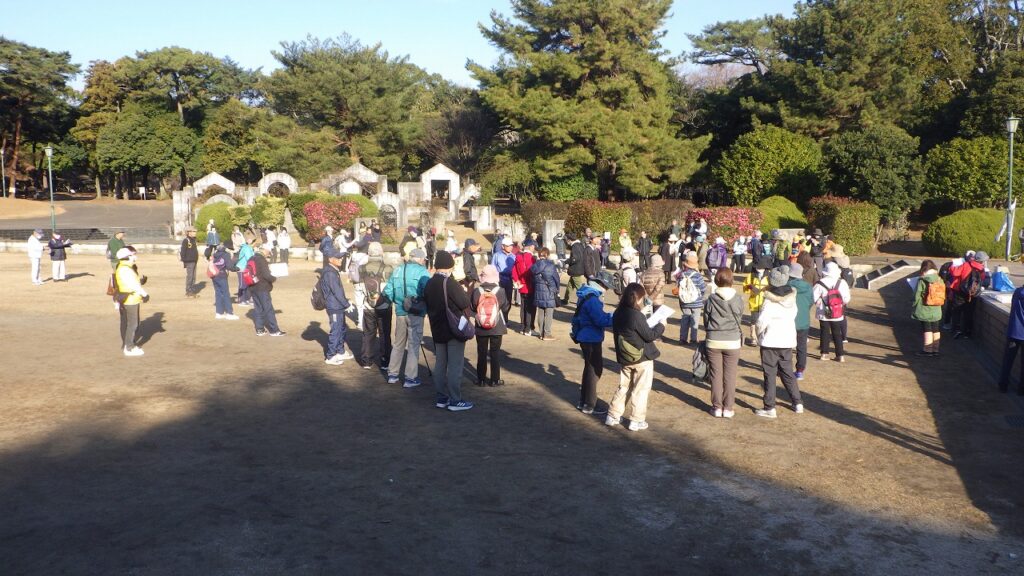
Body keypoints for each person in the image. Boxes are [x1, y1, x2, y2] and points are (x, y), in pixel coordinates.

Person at [607, 283, 664, 431]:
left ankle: (612, 415)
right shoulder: (636, 315)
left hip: (625, 356)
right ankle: (636, 420)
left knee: (623, 386)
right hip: (642, 358)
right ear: (638, 298)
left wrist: (641, 314)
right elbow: (649, 335)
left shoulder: (618, 313)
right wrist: (661, 325)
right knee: (641, 389)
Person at [424, 251, 475, 411]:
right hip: (453, 329)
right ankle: (455, 400)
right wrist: (463, 290)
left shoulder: (429, 283)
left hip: (437, 328)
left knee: (440, 364)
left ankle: (441, 397)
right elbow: (464, 302)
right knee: (455, 365)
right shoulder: (450, 283)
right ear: (449, 266)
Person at [755, 266, 804, 418]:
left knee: (769, 374)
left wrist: (759, 334)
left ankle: (769, 407)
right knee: (787, 372)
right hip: (786, 340)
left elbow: (761, 322)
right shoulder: (792, 299)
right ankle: (797, 402)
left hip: (770, 341)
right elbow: (794, 315)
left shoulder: (769, 301)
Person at [383, 248, 431, 387]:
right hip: (416, 312)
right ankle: (410, 378)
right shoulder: (422, 271)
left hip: (400, 311)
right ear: (420, 259)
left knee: (398, 344)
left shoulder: (398, 269)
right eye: (423, 259)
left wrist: (398, 302)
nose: (424, 261)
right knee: (413, 345)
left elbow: (388, 291)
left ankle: (392, 375)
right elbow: (427, 291)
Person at [704, 269, 744, 418]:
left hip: (713, 340)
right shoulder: (738, 299)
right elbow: (739, 317)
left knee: (715, 375)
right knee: (730, 376)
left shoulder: (711, 299)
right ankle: (728, 408)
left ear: (716, 281)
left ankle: (717, 407)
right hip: (732, 341)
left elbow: (706, 320)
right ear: (732, 280)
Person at [574, 273, 614, 415]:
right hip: (591, 337)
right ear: (601, 284)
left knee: (589, 369)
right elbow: (600, 320)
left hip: (585, 336)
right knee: (594, 370)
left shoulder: (586, 293)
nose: (606, 290)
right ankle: (590, 404)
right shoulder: (593, 299)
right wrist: (615, 317)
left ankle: (583, 401)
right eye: (606, 287)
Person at [473, 265, 508, 387]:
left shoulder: (477, 291)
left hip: (480, 326)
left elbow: (472, 307)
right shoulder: (501, 291)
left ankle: (481, 379)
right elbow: (506, 307)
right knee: (495, 353)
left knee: (481, 353)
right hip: (497, 326)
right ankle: (495, 380)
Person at [321, 247, 355, 365]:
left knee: (341, 328)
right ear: (331, 259)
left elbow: (338, 291)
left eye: (341, 257)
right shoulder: (330, 272)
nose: (341, 259)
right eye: (338, 258)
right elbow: (336, 291)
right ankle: (330, 355)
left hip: (338, 305)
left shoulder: (333, 270)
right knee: (336, 330)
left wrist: (345, 302)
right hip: (334, 306)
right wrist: (346, 303)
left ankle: (340, 351)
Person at [113, 247, 149, 357]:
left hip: (131, 298)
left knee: (132, 324)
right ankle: (128, 347)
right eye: (133, 255)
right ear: (127, 256)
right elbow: (133, 285)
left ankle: (129, 345)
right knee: (132, 324)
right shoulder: (125, 269)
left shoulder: (126, 267)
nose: (135, 257)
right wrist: (144, 294)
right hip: (130, 299)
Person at [813, 262, 852, 362]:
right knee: (837, 333)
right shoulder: (842, 282)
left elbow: (813, 297)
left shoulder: (820, 283)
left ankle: (824, 354)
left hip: (823, 311)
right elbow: (846, 299)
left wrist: (820, 301)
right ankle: (840, 355)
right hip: (837, 312)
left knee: (824, 332)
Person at [950, 251, 991, 339]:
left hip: (960, 291)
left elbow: (955, 273)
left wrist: (953, 266)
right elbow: (982, 279)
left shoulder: (966, 264)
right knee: (969, 313)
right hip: (972, 293)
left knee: (957, 311)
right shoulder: (982, 269)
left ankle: (956, 330)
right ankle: (967, 332)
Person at [248, 244, 285, 337]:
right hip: (262, 287)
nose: (269, 254)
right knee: (268, 309)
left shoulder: (252, 258)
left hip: (253, 286)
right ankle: (274, 330)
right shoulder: (261, 259)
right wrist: (274, 278)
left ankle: (259, 329)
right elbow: (266, 275)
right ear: (265, 250)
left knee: (258, 308)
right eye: (269, 252)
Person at [360, 267, 392, 371]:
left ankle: (366, 361)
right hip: (385, 308)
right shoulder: (388, 269)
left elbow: (359, 290)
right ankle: (385, 361)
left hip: (368, 308)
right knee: (385, 334)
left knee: (368, 334)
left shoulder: (363, 270)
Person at [912, 260, 945, 357]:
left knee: (927, 329)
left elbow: (916, 295)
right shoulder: (939, 279)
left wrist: (914, 304)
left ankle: (927, 350)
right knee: (936, 328)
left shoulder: (922, 280)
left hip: (925, 308)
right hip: (937, 308)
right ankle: (935, 349)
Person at [787, 263, 814, 380]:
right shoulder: (808, 287)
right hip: (803, 320)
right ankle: (800, 371)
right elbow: (811, 302)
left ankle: (785, 369)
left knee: (786, 346)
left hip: (788, 320)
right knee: (802, 347)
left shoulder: (786, 286)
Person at [997, 281, 1024, 394]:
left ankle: (1003, 384)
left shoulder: (1017, 292)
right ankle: (1021, 389)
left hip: (1013, 332)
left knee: (1007, 361)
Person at [676, 252, 707, 345]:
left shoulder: (681, 275)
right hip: (696, 302)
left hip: (685, 301)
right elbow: (703, 289)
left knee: (685, 320)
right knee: (695, 321)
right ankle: (693, 339)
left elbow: (678, 287)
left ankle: (682, 339)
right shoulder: (698, 276)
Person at [531, 247, 560, 340]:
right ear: (547, 255)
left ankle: (541, 333)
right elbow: (556, 279)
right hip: (549, 291)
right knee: (549, 313)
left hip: (538, 291)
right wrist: (557, 289)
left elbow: (533, 280)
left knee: (540, 312)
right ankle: (547, 333)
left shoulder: (534, 266)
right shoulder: (550, 265)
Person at [743, 259, 770, 347]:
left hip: (765, 302)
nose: (758, 269)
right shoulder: (751, 275)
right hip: (754, 302)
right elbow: (745, 287)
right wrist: (750, 288)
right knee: (754, 320)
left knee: (764, 320)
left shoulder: (769, 276)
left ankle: (763, 337)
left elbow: (773, 288)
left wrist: (766, 289)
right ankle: (753, 337)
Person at [512, 243, 538, 335]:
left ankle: (522, 327)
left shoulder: (518, 257)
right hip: (530, 285)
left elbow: (514, 271)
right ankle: (528, 328)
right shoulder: (531, 258)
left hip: (521, 285)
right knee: (530, 308)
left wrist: (517, 280)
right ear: (531, 247)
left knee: (523, 307)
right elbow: (532, 271)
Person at [209, 244, 239, 320]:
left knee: (218, 293)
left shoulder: (215, 254)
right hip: (222, 275)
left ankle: (219, 313)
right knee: (226, 294)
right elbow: (229, 266)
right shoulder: (226, 255)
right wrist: (237, 268)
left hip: (214, 275)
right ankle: (229, 313)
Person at [492, 237, 517, 318]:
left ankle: (505, 317)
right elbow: (493, 268)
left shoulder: (513, 256)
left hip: (509, 280)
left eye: (511, 245)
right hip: (500, 279)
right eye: (508, 246)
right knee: (499, 299)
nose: (511, 247)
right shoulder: (496, 255)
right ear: (503, 246)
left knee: (508, 300)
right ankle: (500, 317)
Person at [562, 233, 586, 305]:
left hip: (576, 270)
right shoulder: (580, 245)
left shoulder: (575, 246)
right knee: (570, 286)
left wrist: (566, 261)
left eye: (566, 240)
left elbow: (575, 259)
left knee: (579, 288)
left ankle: (585, 302)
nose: (566, 242)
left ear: (569, 240)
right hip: (577, 269)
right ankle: (566, 299)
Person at [180, 227, 200, 298]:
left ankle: (192, 290)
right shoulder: (186, 241)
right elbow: (183, 252)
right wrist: (185, 262)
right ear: (189, 232)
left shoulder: (193, 240)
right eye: (193, 231)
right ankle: (188, 291)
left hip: (194, 261)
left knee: (194, 277)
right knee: (190, 276)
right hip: (189, 261)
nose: (195, 233)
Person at [235, 240, 255, 306]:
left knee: (247, 284)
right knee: (242, 284)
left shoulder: (249, 248)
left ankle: (247, 299)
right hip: (241, 268)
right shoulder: (246, 248)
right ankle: (241, 300)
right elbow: (249, 258)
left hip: (246, 268)